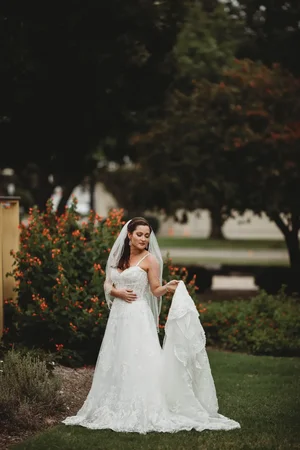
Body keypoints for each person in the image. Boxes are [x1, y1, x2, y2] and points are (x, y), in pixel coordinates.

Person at [62, 217, 241, 433]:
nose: (144, 239)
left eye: (147, 235)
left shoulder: (150, 260)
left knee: (139, 358)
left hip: (137, 315)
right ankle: (115, 404)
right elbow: (108, 281)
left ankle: (145, 406)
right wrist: (115, 291)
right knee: (118, 357)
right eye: (139, 234)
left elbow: (155, 290)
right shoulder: (120, 257)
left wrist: (167, 288)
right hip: (119, 317)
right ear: (129, 235)